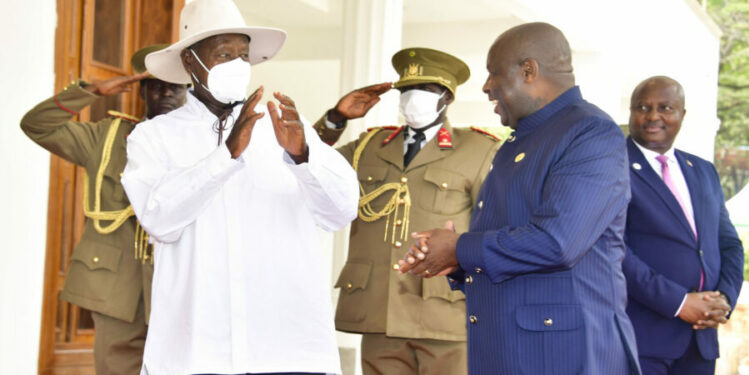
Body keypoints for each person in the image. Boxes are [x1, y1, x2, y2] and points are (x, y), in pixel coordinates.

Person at [120, 0, 358, 374]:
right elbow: (160, 220)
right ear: (189, 63)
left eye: (243, 55)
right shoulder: (154, 137)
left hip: (286, 347)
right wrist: (225, 157)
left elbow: (341, 211)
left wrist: (303, 156)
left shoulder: (286, 129)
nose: (236, 65)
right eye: (223, 54)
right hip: (196, 352)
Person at [398, 22, 642, 375]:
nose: (485, 87)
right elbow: (512, 242)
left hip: (563, 354)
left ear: (529, 70)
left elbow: (557, 242)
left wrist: (459, 248)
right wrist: (457, 260)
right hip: (511, 348)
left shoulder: (589, 132)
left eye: (493, 73)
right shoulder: (520, 140)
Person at [313, 47, 501, 375]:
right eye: (406, 90)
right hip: (378, 314)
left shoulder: (478, 149)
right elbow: (310, 161)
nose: (413, 98)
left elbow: (495, 230)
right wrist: (336, 118)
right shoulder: (369, 146)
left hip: (444, 315)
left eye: (425, 91)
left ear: (447, 97)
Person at [20, 45, 187, 375]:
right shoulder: (107, 138)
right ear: (141, 90)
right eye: (155, 84)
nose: (165, 91)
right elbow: (37, 126)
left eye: (174, 85)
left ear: (187, 92)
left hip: (180, 285)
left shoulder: (208, 145)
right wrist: (91, 91)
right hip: (117, 288)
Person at [621, 76, 744, 375]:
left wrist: (723, 299)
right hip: (643, 339)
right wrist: (678, 303)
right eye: (642, 107)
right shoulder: (613, 166)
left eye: (665, 107)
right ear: (630, 112)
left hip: (700, 340)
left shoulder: (702, 171)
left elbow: (728, 244)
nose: (653, 116)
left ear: (682, 114)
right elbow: (613, 248)